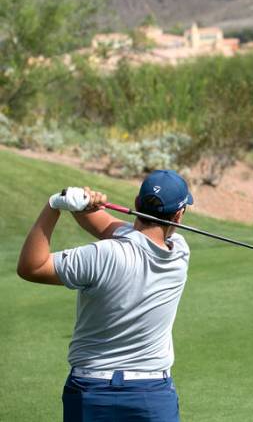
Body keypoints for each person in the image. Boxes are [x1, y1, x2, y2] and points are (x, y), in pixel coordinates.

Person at [17, 169, 194, 422]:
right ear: (178, 215)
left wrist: (55, 205)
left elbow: (31, 267)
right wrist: (83, 207)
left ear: (136, 203)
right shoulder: (179, 254)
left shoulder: (102, 255)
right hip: (152, 394)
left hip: (90, 391)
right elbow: (110, 229)